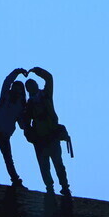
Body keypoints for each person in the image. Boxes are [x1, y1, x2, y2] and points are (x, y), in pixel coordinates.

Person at [23, 66, 71, 196]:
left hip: (50, 135)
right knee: (45, 166)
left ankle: (64, 186)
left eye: (31, 85)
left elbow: (49, 78)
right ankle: (51, 187)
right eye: (28, 86)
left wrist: (36, 70)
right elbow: (25, 124)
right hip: (40, 138)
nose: (30, 87)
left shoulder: (45, 95)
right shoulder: (29, 105)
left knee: (57, 164)